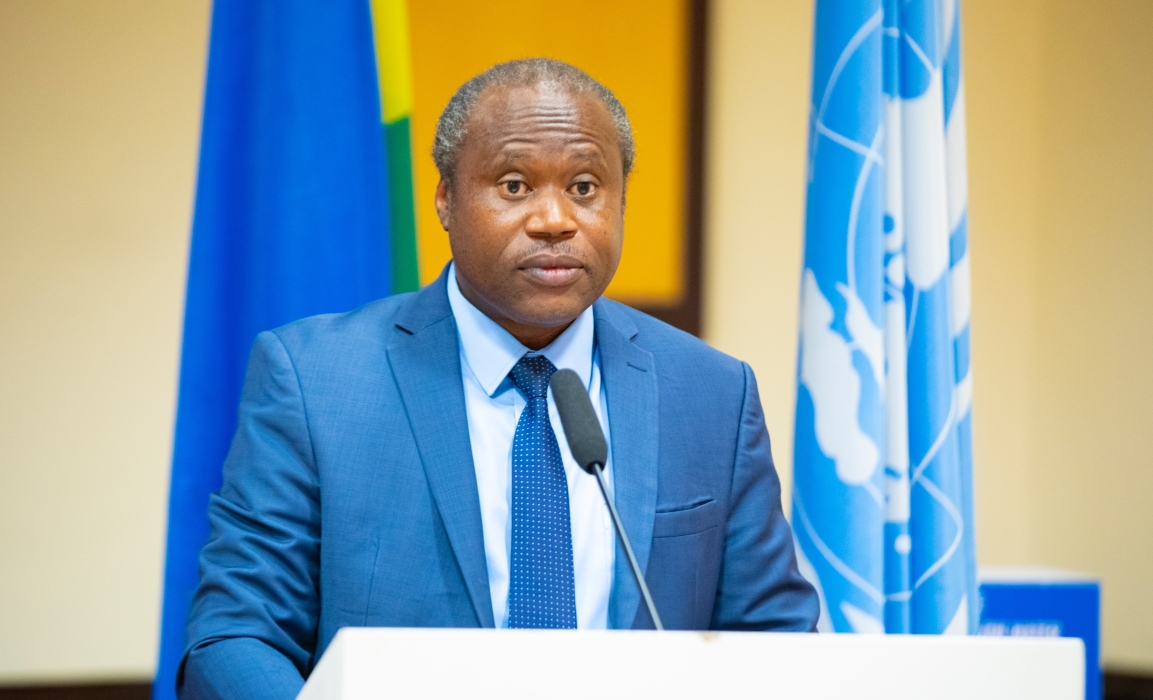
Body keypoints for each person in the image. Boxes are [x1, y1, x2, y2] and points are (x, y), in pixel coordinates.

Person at [180, 58, 818, 700]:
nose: (554, 219)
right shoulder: (316, 381)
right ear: (446, 199)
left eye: (586, 187)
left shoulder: (711, 393)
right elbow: (235, 637)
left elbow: (773, 640)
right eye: (514, 185)